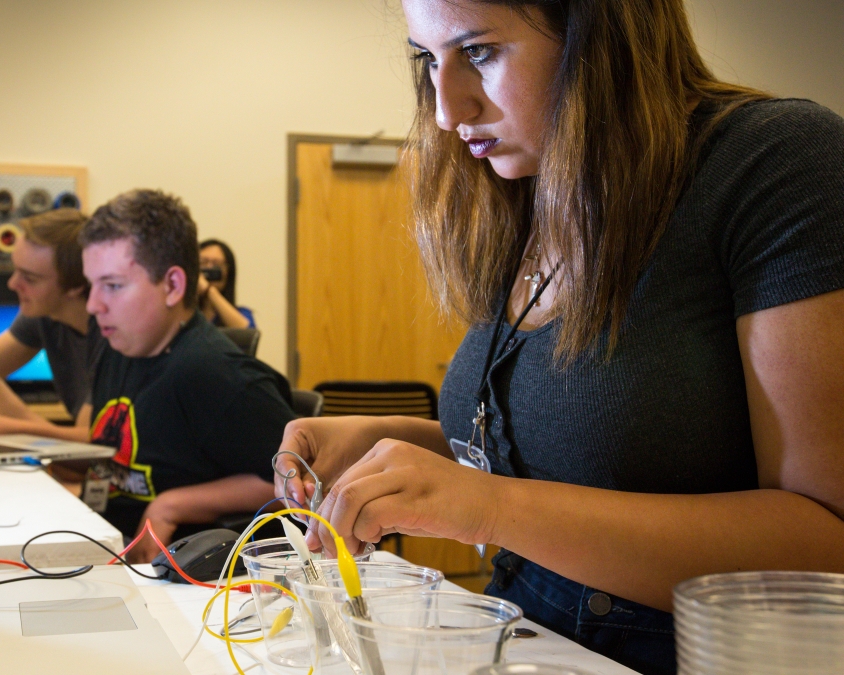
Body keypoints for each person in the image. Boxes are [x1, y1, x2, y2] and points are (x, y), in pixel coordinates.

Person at [274, 2, 844, 674]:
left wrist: (488, 509)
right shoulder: (525, 189)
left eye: (479, 52)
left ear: (595, 34)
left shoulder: (774, 160)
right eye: (429, 61)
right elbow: (575, 451)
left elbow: (824, 542)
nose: (445, 112)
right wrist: (392, 443)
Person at [80, 189, 296, 563]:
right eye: (92, 284)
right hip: (116, 552)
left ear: (174, 286)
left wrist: (172, 505)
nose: (93, 304)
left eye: (112, 285)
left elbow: (295, 479)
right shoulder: (119, 345)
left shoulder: (212, 373)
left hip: (189, 585)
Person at [0, 208, 98, 442]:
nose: (12, 284)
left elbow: (88, 448)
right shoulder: (45, 315)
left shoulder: (113, 337)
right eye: (15, 271)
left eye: (29, 278)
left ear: (76, 286)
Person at [198, 239, 254, 328]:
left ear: (228, 272)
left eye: (217, 264)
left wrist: (208, 290)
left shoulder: (242, 314)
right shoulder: (184, 313)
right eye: (203, 263)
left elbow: (248, 333)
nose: (209, 268)